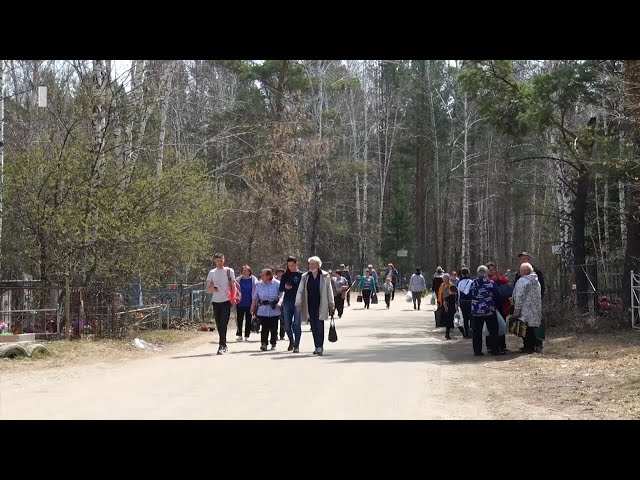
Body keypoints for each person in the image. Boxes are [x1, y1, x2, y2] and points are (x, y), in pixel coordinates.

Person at [295, 256, 335, 355]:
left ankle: (320, 346)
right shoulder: (305, 276)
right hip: (309, 304)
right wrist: (298, 303)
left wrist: (331, 304)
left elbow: (329, 290)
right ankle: (316, 346)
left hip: (321, 304)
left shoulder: (325, 275)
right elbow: (300, 290)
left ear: (318, 264)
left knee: (319, 325)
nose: (310, 266)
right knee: (313, 326)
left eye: (312, 264)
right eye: (309, 264)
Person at [513, 251, 546, 351]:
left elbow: (520, 293)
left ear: (529, 259)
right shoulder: (519, 274)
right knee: (530, 326)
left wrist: (517, 307)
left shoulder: (537, 273)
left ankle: (535, 345)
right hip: (532, 305)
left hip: (528, 305)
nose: (522, 260)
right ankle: (529, 345)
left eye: (524, 259)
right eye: (521, 259)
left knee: (530, 326)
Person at [206, 253, 236, 355]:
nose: (219, 263)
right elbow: (208, 288)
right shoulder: (212, 272)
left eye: (221, 260)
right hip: (216, 301)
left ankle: (221, 345)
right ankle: (223, 344)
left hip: (226, 301)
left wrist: (234, 297)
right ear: (215, 261)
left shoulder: (229, 271)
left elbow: (233, 285)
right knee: (219, 324)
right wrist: (212, 288)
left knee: (224, 323)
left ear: (224, 260)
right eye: (217, 261)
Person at [469, 265, 502, 356]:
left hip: (476, 311)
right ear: (486, 273)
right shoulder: (491, 283)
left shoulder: (473, 283)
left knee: (477, 331)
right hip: (489, 310)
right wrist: (496, 305)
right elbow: (498, 296)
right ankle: (495, 349)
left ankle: (477, 351)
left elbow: (469, 295)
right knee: (493, 330)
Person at [251, 268, 283, 352]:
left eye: (263, 275)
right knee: (264, 328)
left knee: (274, 328)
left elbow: (282, 294)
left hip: (274, 309)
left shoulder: (277, 284)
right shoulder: (259, 284)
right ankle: (264, 344)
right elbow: (255, 297)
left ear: (268, 276)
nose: (261, 276)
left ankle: (273, 343)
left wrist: (279, 302)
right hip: (263, 309)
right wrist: (252, 307)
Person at [278, 256, 303, 353]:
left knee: (297, 324)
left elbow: (304, 289)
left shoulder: (301, 275)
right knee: (287, 325)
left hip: (298, 302)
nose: (291, 267)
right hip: (287, 301)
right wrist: (285, 287)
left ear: (296, 264)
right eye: (289, 266)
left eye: (293, 265)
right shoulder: (285, 276)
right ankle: (291, 341)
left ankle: (297, 344)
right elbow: (280, 289)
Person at [487, 262, 512, 354]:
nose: (492, 271)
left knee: (502, 325)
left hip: (502, 305)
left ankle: (502, 345)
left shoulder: (500, 277)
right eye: (490, 270)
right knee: (490, 327)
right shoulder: (486, 279)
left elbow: (508, 283)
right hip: (491, 306)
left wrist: (499, 279)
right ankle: (490, 346)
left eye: (494, 269)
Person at [235, 265, 258, 342]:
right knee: (239, 319)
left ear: (249, 272)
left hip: (250, 303)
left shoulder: (254, 280)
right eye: (243, 271)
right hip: (240, 302)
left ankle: (246, 335)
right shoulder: (238, 280)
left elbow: (255, 292)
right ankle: (239, 335)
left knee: (248, 319)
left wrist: (254, 304)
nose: (245, 272)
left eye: (246, 271)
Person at [456, 267, 473, 337]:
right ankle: (472, 331)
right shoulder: (472, 282)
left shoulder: (459, 283)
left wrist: (457, 302)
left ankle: (466, 333)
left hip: (463, 302)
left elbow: (458, 293)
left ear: (462, 274)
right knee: (471, 317)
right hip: (470, 302)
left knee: (465, 318)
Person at [275, 267, 286, 340]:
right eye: (278, 273)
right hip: (275, 303)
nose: (280, 275)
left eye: (281, 273)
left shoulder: (285, 281)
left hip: (284, 303)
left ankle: (282, 334)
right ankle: (274, 334)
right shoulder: (273, 282)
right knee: (275, 320)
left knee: (283, 319)